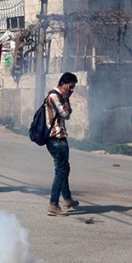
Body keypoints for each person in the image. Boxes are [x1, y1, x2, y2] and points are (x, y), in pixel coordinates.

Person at [45, 72, 79, 216]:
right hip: (56, 139)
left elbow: (68, 115)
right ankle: (53, 203)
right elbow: (65, 114)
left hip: (59, 138)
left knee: (65, 168)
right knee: (61, 170)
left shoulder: (60, 97)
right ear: (63, 83)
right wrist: (66, 100)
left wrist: (67, 100)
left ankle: (67, 198)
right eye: (70, 87)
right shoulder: (54, 96)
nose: (71, 90)